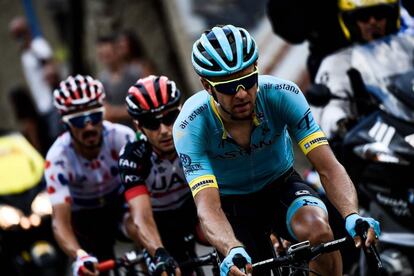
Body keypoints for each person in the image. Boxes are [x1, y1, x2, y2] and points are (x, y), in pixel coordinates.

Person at [172, 24, 381, 276]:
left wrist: (351, 215)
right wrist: (231, 248)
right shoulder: (190, 124)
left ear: (257, 69)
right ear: (207, 86)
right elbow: (208, 206)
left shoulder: (283, 94)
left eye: (248, 81)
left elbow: (328, 166)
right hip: (231, 203)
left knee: (319, 232)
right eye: (228, 86)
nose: (241, 94)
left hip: (280, 185)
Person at [44, 74, 137, 276]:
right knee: (93, 264)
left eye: (94, 116)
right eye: (78, 120)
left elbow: (145, 195)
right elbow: (60, 222)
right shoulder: (57, 158)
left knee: (140, 230)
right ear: (65, 122)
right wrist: (79, 255)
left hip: (120, 207)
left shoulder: (123, 137)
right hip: (85, 219)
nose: (88, 126)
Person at [118, 75, 204, 276]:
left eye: (170, 118)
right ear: (138, 126)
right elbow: (141, 216)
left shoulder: (197, 137)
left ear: (181, 112)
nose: (164, 130)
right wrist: (158, 252)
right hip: (158, 220)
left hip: (196, 210)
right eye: (152, 123)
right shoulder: (133, 155)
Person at [313, 0, 414, 139]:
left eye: (379, 14)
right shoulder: (338, 63)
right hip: (375, 139)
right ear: (351, 22)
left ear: (392, 16)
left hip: (408, 126)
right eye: (363, 16)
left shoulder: (407, 50)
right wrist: (341, 122)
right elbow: (330, 108)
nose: (372, 22)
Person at [9, 16, 62, 156]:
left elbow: (51, 65)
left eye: (21, 33)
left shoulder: (38, 45)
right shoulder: (24, 55)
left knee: (57, 136)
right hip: (40, 105)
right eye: (16, 35)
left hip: (51, 102)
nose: (19, 38)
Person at [97, 35, 143, 127]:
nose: (106, 59)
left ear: (117, 51)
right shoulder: (102, 80)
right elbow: (106, 113)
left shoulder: (135, 72)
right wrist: (131, 110)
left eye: (108, 54)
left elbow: (145, 104)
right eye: (103, 55)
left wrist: (115, 112)